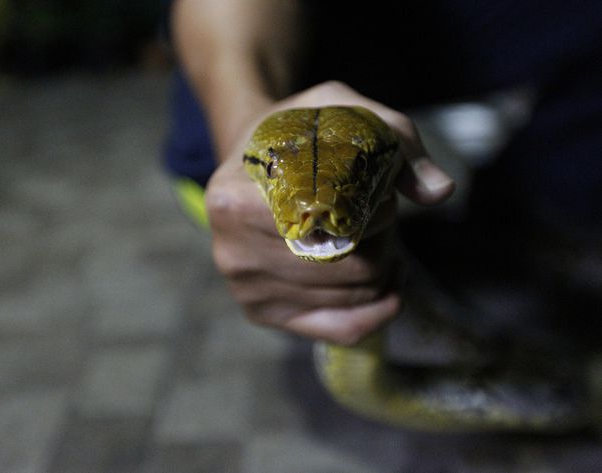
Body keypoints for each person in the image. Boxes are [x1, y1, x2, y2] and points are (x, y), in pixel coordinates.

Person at [163, 0, 602, 347]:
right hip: (316, 29)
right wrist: (244, 128)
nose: (314, 210)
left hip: (450, 26)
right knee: (211, 141)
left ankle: (529, 222)